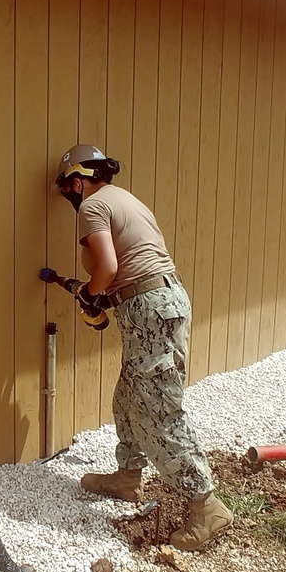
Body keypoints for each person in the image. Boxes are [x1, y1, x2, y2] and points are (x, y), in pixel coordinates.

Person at [52, 143, 233, 551]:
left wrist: (92, 296)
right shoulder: (126, 199)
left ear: (78, 182)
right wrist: (99, 296)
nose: (71, 198)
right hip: (152, 306)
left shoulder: (93, 206)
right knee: (129, 395)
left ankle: (207, 506)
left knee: (157, 406)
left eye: (69, 189)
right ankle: (127, 477)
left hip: (149, 307)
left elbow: (108, 267)